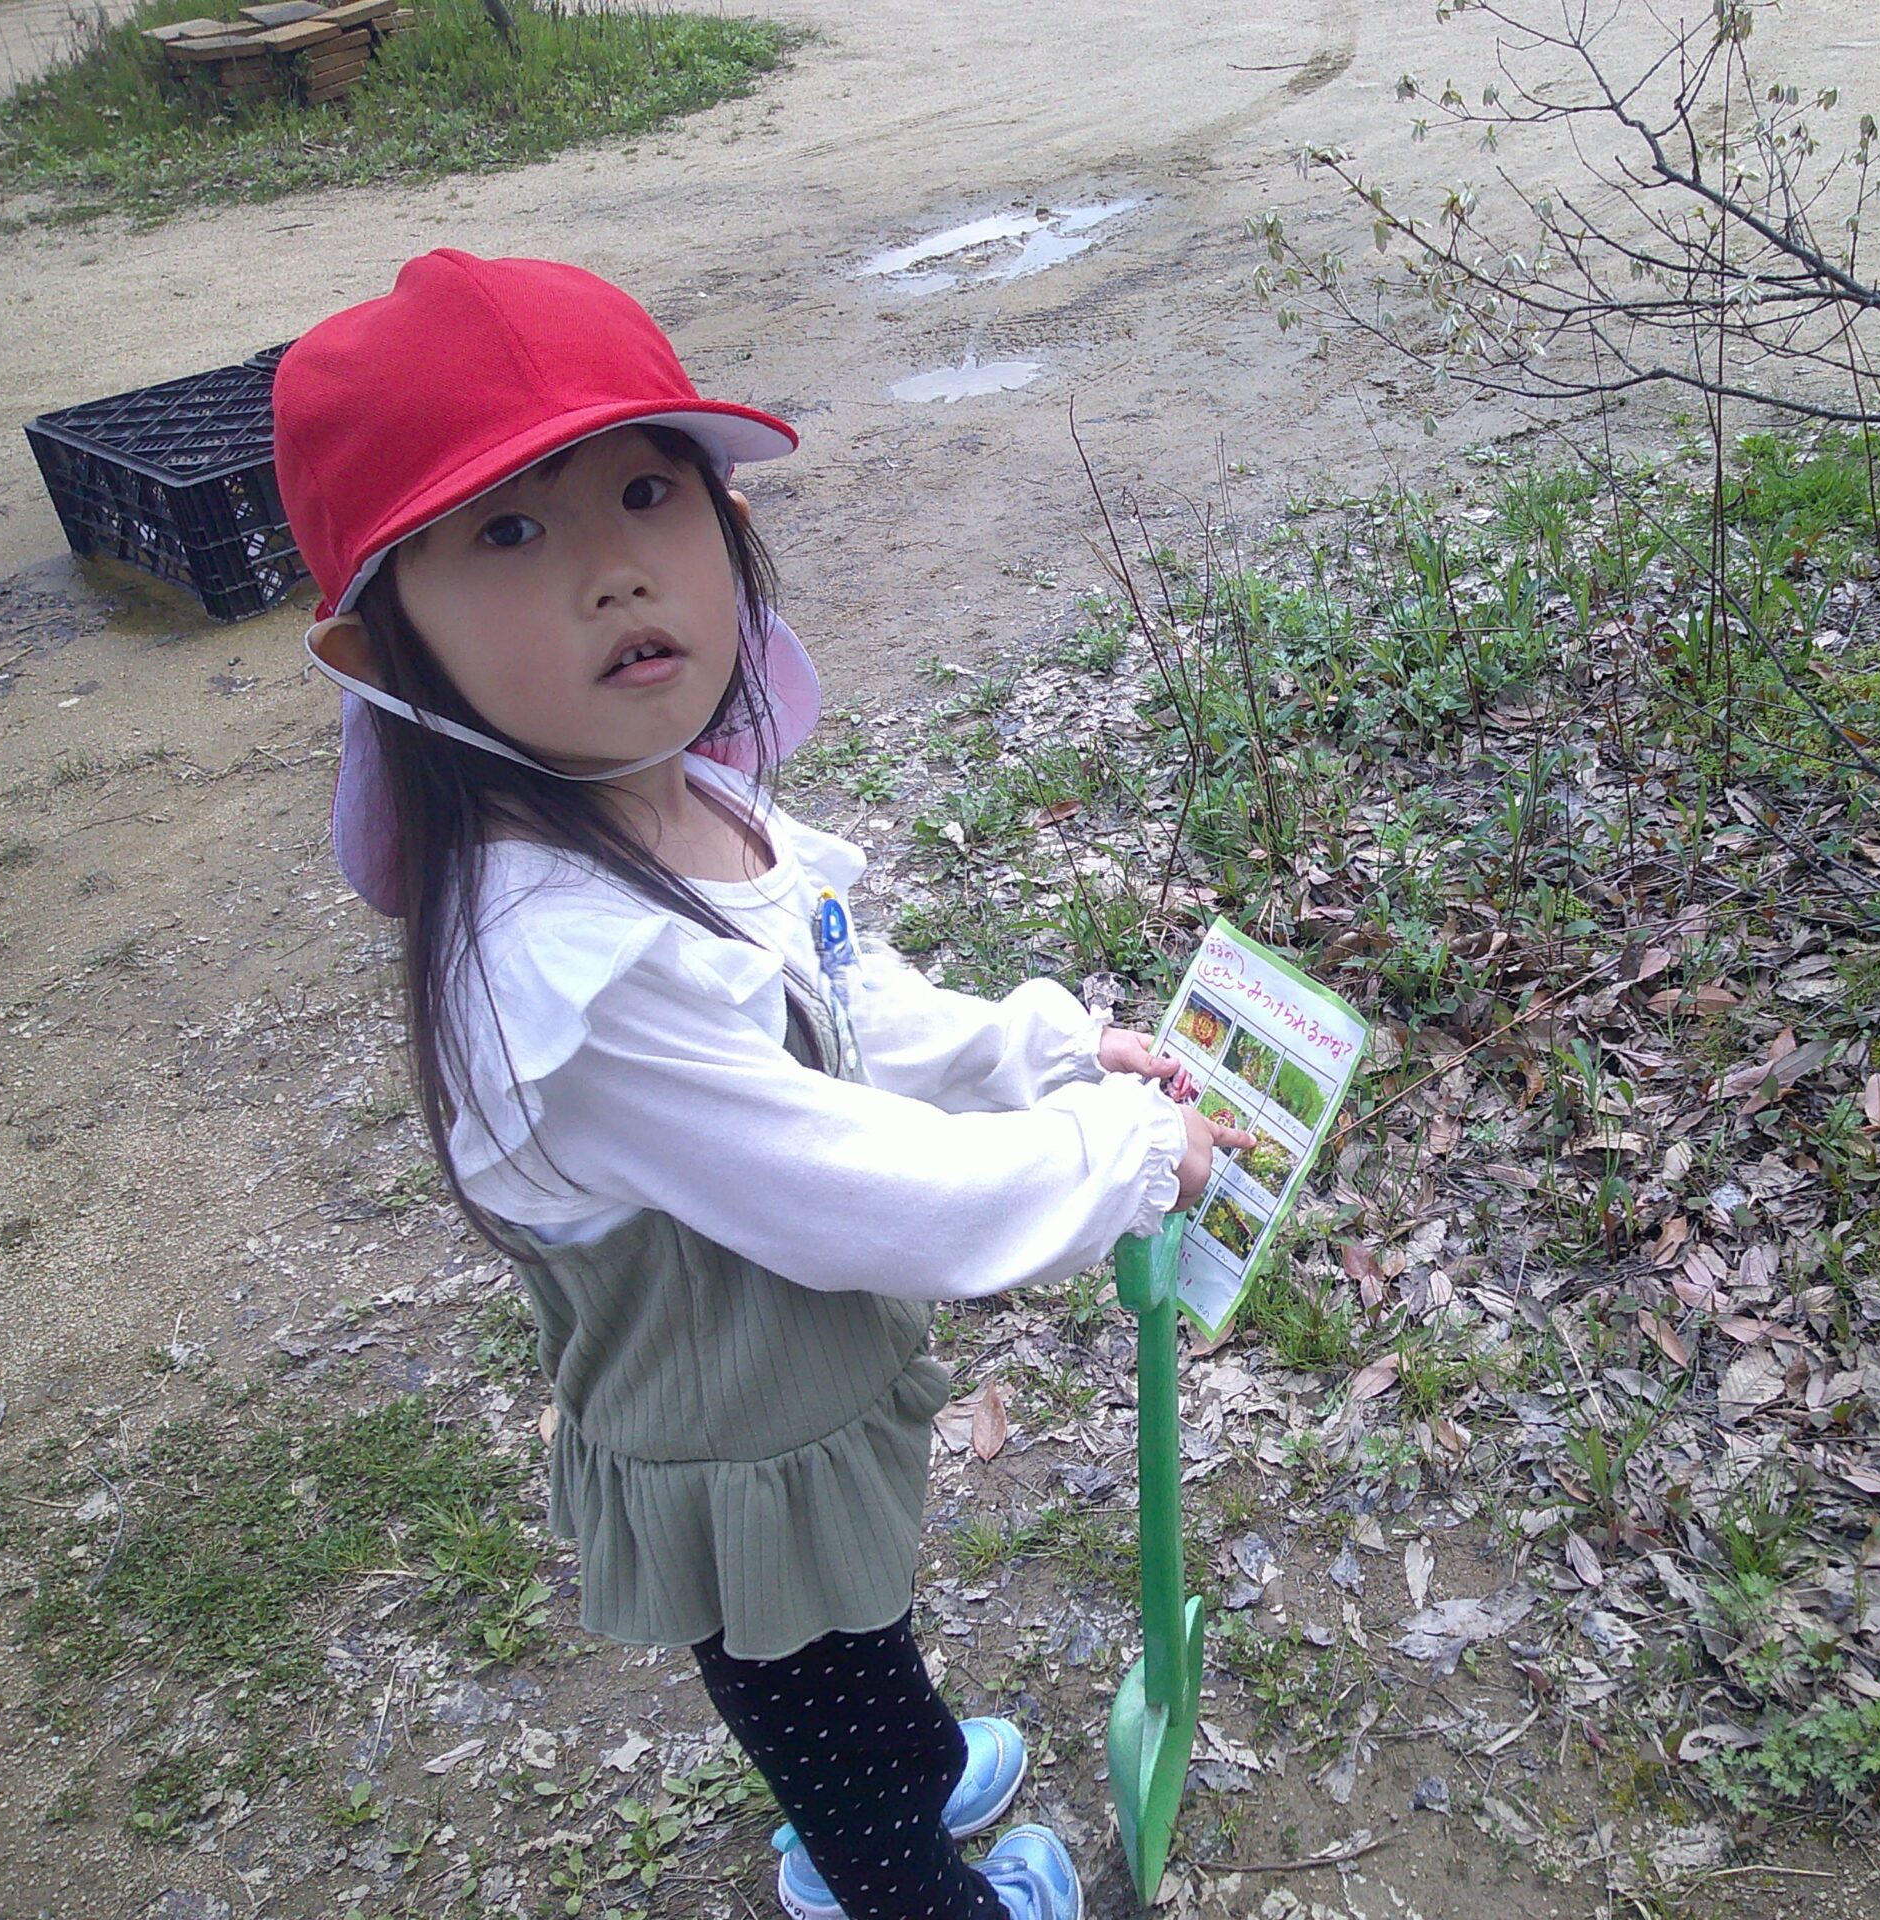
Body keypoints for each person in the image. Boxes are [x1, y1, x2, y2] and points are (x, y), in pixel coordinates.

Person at [271, 250, 1251, 1920]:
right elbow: (858, 1194)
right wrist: (1120, 1154)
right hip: (731, 1441)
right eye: (507, 533)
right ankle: (886, 1875)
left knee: (854, 1631)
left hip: (795, 1394)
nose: (608, 570)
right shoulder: (568, 977)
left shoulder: (680, 796)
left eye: (646, 492)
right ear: (382, 645)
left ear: (727, 525)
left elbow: (838, 1000)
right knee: (813, 1680)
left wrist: (1041, 1053)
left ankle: (898, 1774)